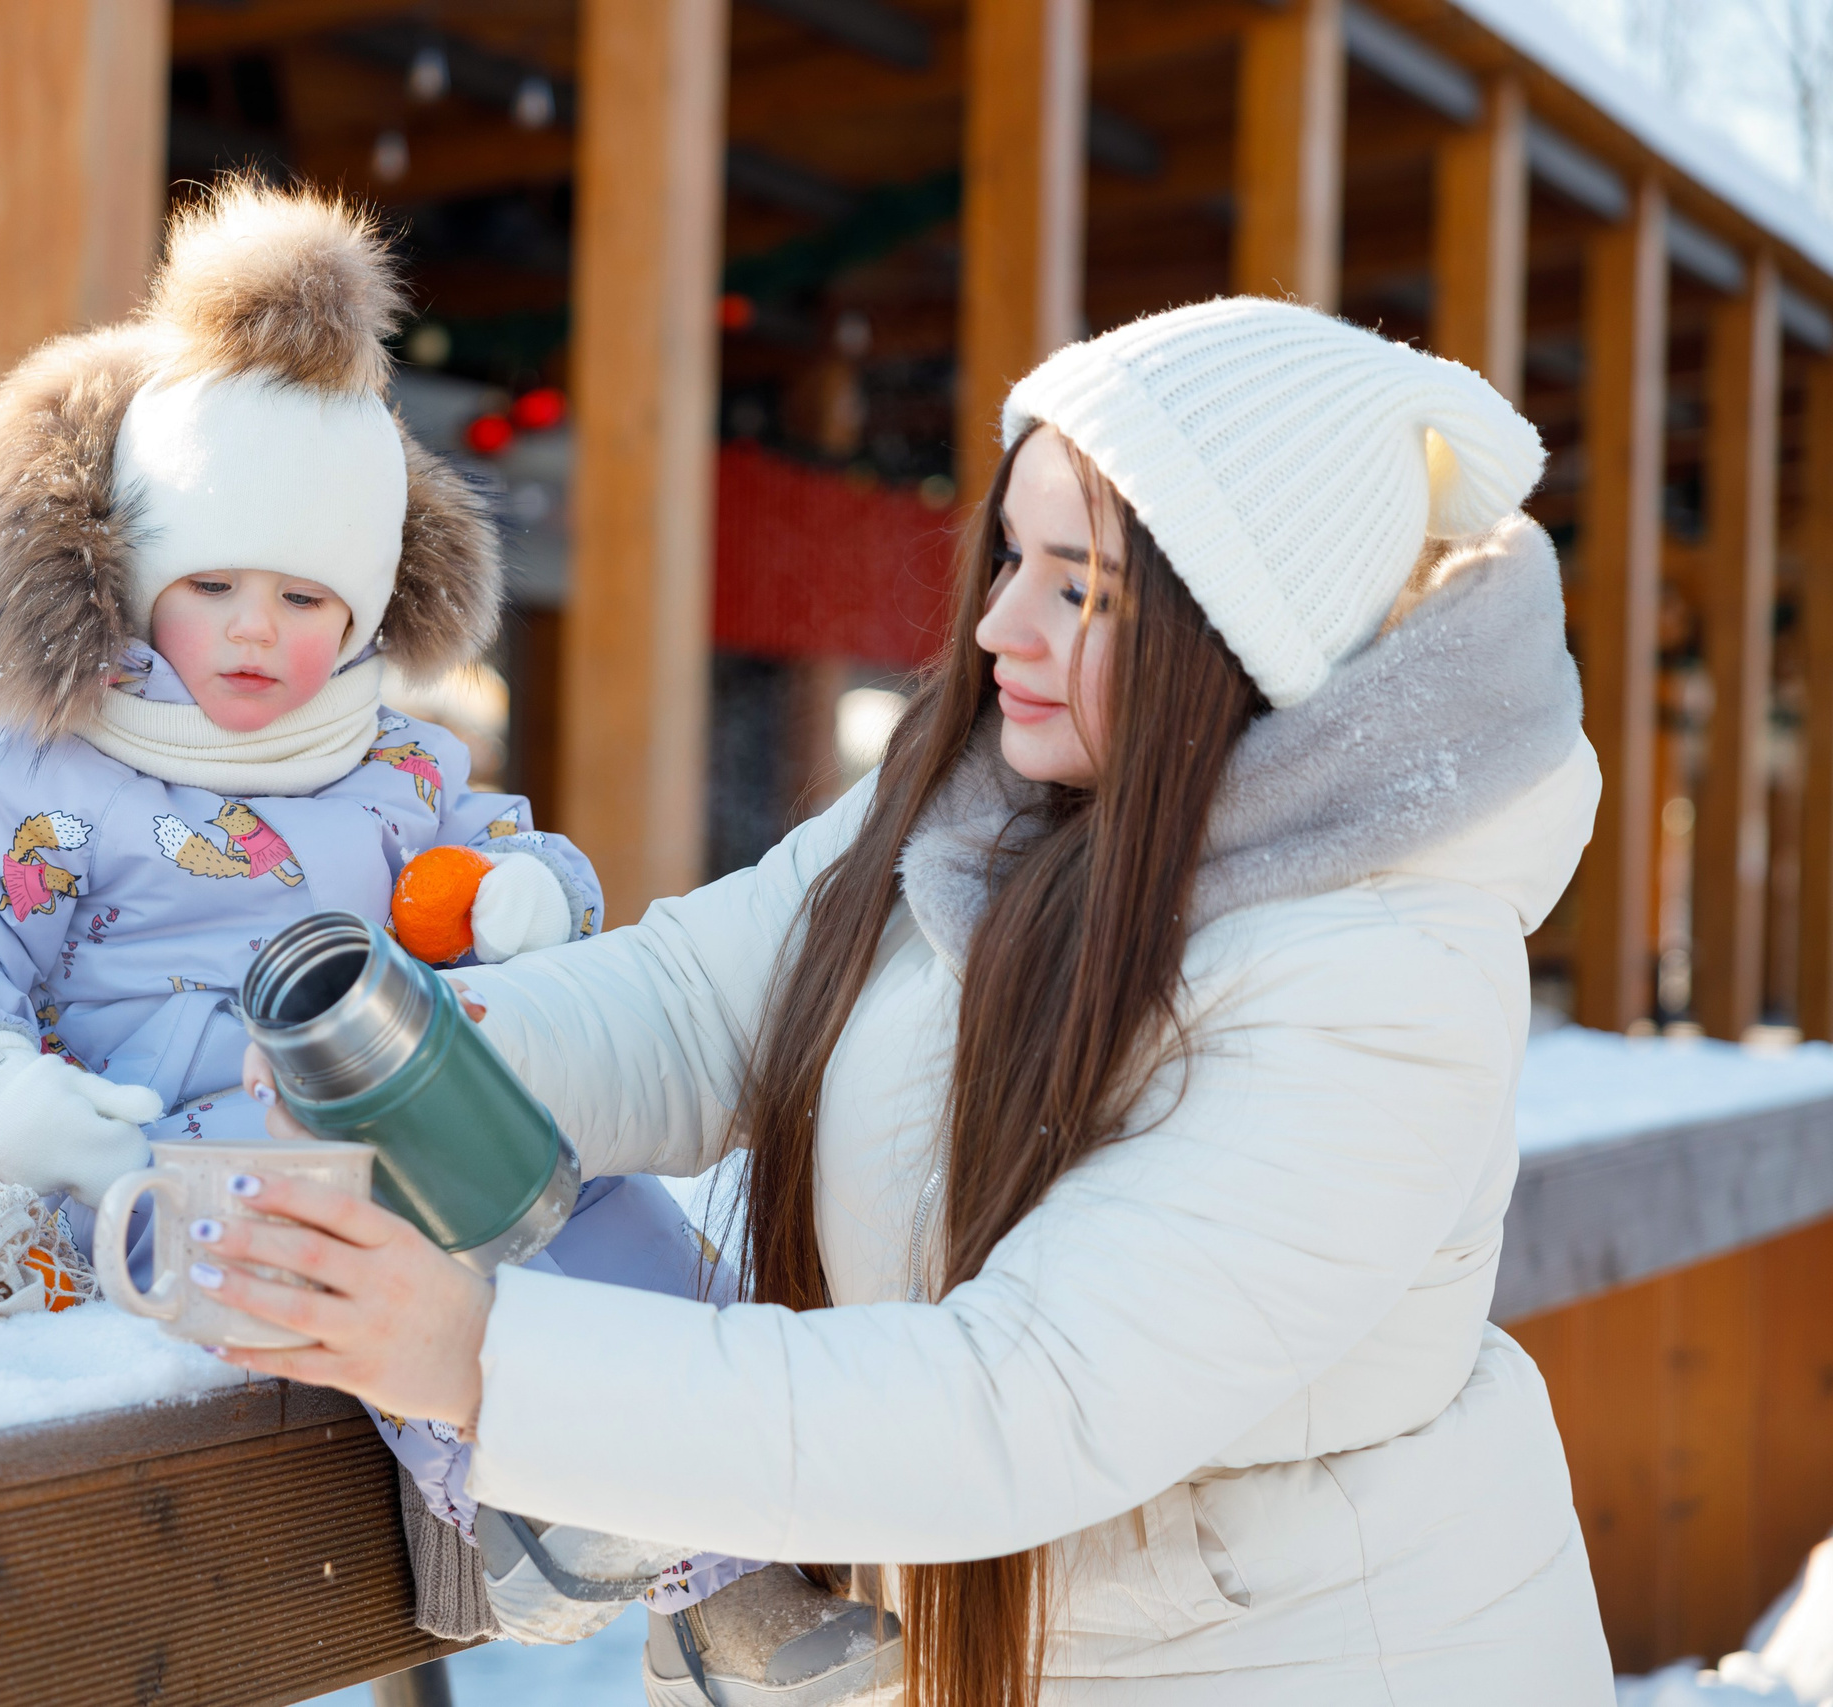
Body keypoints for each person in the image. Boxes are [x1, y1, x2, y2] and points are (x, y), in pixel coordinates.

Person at [192, 297, 1617, 1705]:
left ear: (1241, 639)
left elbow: (1017, 1403)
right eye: (1012, 556)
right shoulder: (987, 798)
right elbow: (701, 1005)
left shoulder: (1380, 985)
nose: (1000, 624)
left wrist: (475, 1356)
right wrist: (413, 1067)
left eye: (1082, 586)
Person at [0, 178, 773, 1650]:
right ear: (135, 578)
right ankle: (543, 1507)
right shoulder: (31, 774)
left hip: (393, 1114)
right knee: (380, 1215)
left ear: (369, 608)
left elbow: (493, 860)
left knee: (579, 1182)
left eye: (306, 596)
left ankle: (738, 1510)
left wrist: (517, 899)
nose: (258, 629)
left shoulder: (391, 765)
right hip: (157, 1172)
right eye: (212, 585)